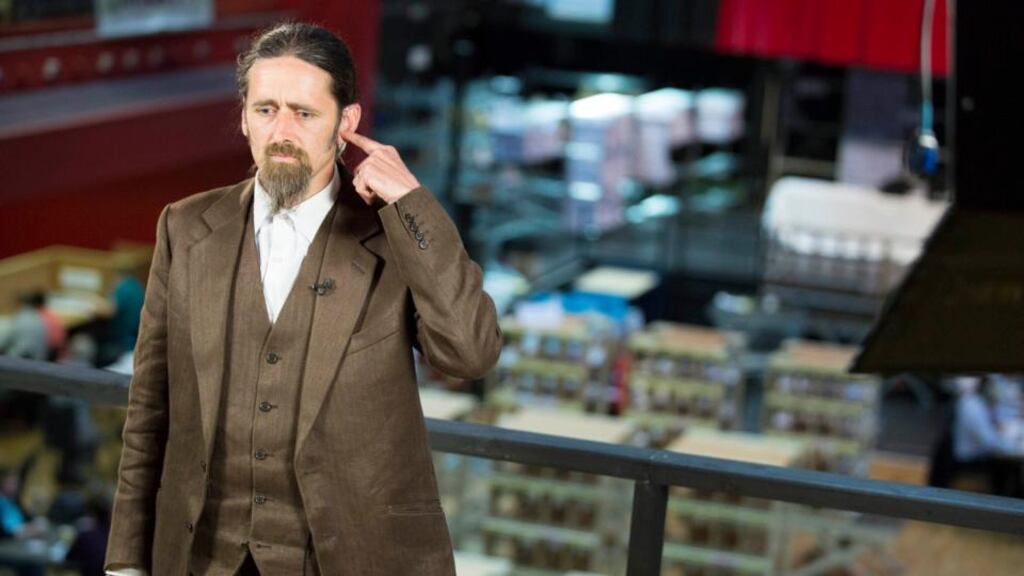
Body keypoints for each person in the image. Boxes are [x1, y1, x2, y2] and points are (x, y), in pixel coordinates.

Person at [103, 22, 501, 576]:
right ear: (243, 116)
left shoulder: (393, 234)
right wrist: (125, 561)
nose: (282, 131)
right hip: (201, 557)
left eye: (305, 113)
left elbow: (470, 352)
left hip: (354, 556)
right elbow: (149, 408)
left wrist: (412, 202)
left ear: (348, 123)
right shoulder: (186, 227)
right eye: (266, 109)